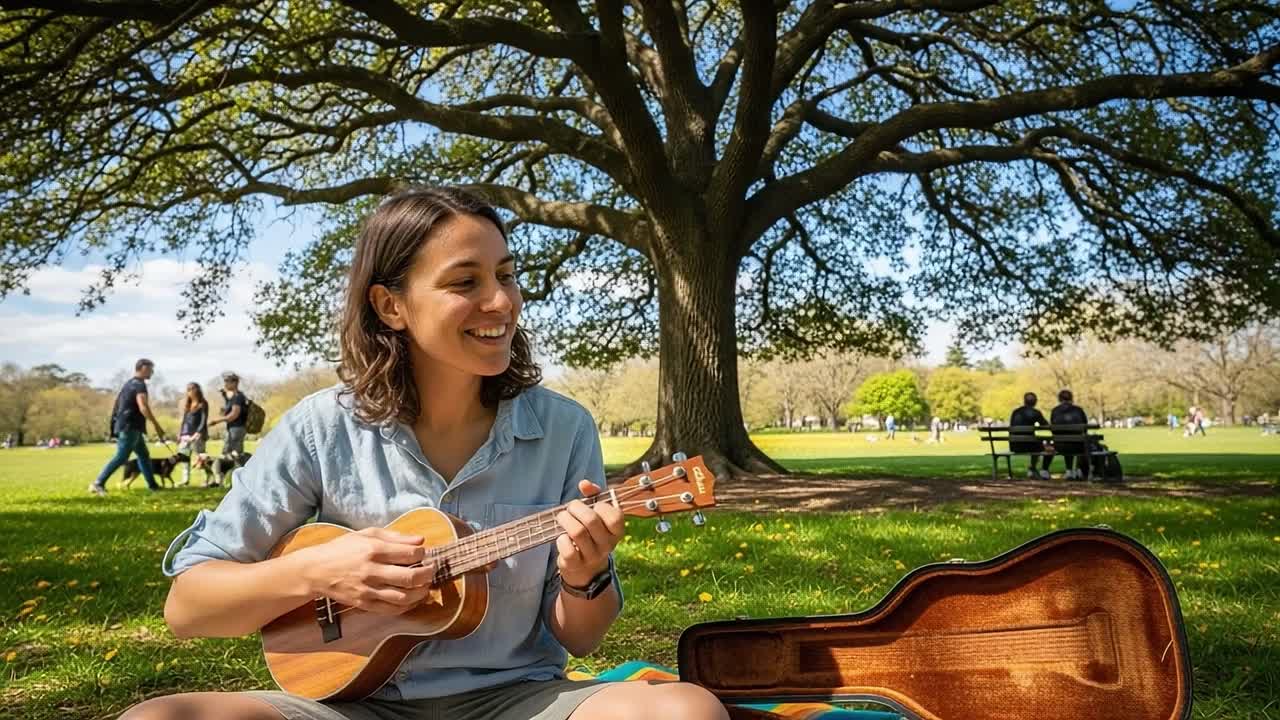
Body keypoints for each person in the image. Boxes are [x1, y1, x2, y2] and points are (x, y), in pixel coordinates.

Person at [123, 187, 727, 720]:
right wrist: (320, 571)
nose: (501, 301)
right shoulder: (319, 427)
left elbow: (582, 639)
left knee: (685, 709)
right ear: (391, 306)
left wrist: (585, 575)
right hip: (346, 707)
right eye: (466, 282)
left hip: (518, 699)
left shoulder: (564, 428)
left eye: (506, 275)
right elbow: (188, 607)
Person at [90, 358, 167, 495]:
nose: (152, 372)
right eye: (151, 369)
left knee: (143, 455)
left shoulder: (129, 383)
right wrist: (157, 426)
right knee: (121, 456)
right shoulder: (139, 385)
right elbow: (143, 406)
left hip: (129, 426)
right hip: (129, 426)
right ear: (143, 368)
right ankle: (98, 483)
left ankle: (153, 485)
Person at [1009, 392, 1052, 480]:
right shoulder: (1035, 413)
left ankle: (1032, 469)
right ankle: (1034, 468)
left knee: (1036, 444)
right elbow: (1045, 425)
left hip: (1015, 445)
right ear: (1035, 402)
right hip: (1030, 445)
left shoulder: (1015, 412)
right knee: (1048, 447)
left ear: (1024, 401)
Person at [1050, 389, 1090, 481]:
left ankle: (1069, 471)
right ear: (1071, 398)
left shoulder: (1055, 411)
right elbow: (1085, 427)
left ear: (1059, 399)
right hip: (1078, 445)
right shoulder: (1079, 410)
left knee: (1066, 443)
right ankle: (1079, 470)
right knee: (1081, 442)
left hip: (1060, 446)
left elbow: (1053, 429)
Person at [209, 371, 249, 459]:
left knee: (229, 453)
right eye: (225, 381)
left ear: (234, 383)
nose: (225, 384)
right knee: (235, 454)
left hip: (236, 429)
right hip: (235, 428)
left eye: (227, 381)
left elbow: (234, 415)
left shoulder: (237, 397)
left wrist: (216, 421)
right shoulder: (234, 397)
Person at [177, 382, 210, 486]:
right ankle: (185, 480)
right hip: (185, 435)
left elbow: (203, 421)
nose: (190, 391)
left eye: (192, 388)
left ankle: (207, 479)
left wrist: (198, 433)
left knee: (201, 458)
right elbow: (184, 421)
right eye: (188, 389)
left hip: (197, 435)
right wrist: (180, 433)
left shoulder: (203, 404)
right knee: (184, 457)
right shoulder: (188, 404)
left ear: (197, 390)